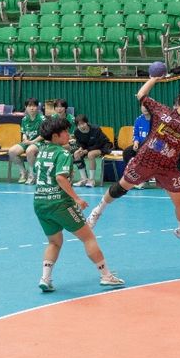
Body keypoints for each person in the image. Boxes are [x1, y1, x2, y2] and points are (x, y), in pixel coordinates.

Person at [86, 76, 180, 250]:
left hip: (168, 167)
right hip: (145, 160)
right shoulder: (162, 111)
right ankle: (97, 211)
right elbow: (141, 95)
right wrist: (153, 79)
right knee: (120, 188)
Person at [33, 118, 124, 292]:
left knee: (54, 242)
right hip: (60, 203)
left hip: (40, 203)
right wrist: (76, 198)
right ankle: (106, 276)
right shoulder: (62, 153)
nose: (68, 134)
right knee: (88, 238)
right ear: (55, 136)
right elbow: (60, 177)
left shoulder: (41, 151)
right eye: (65, 132)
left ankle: (45, 278)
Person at [8, 97, 46, 184]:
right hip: (28, 141)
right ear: (26, 107)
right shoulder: (24, 119)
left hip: (40, 142)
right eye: (29, 106)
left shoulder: (42, 119)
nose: (32, 108)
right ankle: (23, 172)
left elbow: (43, 135)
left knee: (30, 150)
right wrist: (25, 138)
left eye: (34, 106)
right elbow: (24, 132)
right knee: (12, 151)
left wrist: (32, 142)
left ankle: (32, 174)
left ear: (37, 107)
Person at [72, 114, 113, 187]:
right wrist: (80, 148)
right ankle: (84, 179)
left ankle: (91, 180)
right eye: (79, 125)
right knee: (77, 154)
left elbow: (99, 143)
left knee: (91, 154)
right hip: (88, 147)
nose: (81, 126)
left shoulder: (96, 129)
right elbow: (80, 142)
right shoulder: (76, 132)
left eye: (83, 123)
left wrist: (87, 150)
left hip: (103, 146)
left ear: (87, 122)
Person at [122, 104, 151, 168]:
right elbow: (136, 135)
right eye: (143, 106)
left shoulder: (157, 120)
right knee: (127, 152)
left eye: (147, 105)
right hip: (140, 145)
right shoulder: (138, 120)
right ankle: (131, 170)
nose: (145, 108)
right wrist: (136, 143)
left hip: (152, 147)